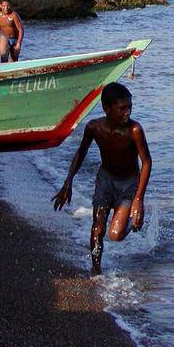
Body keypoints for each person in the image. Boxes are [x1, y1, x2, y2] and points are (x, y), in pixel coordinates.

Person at [52, 82, 152, 275]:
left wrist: (138, 200)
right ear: (107, 108)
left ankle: (134, 219)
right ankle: (96, 270)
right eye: (122, 108)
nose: (127, 113)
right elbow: (80, 153)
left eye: (129, 107)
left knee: (115, 235)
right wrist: (68, 182)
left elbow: (146, 162)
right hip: (105, 180)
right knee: (98, 228)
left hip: (128, 183)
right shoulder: (94, 127)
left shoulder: (134, 130)